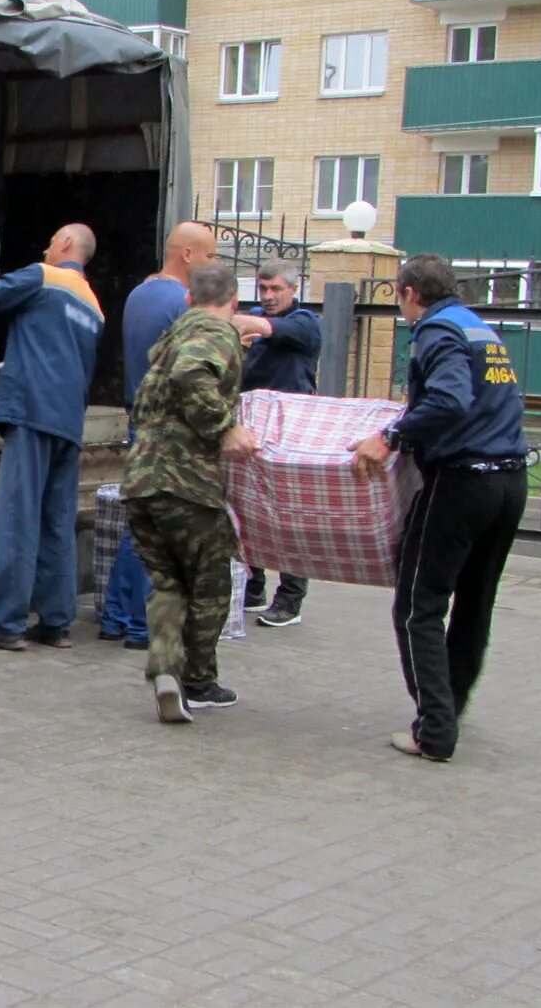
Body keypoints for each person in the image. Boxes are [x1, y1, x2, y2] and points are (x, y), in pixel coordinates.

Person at [351, 254, 528, 764]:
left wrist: (389, 438)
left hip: (462, 483)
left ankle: (434, 729)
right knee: (474, 602)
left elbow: (450, 399)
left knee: (417, 606)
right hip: (509, 480)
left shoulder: (437, 331)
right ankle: (448, 709)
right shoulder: (479, 329)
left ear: (409, 294)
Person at [0, 224, 105, 652]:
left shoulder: (44, 276)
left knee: (15, 519)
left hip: (33, 412)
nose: (45, 246)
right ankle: (55, 622)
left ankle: (7, 624)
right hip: (69, 421)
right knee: (56, 523)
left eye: (51, 240)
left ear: (67, 244)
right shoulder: (94, 304)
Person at [122, 264, 258, 723]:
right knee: (211, 583)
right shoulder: (213, 333)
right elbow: (191, 374)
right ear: (233, 301)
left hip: (141, 483)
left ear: (187, 298)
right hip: (187, 485)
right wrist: (226, 427)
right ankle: (199, 682)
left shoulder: (172, 336)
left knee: (167, 582)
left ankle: (165, 671)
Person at [100, 222, 217, 650]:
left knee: (139, 519)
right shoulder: (181, 303)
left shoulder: (140, 294)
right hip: (167, 427)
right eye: (209, 256)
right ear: (187, 254)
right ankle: (138, 624)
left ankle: (115, 616)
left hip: (138, 418)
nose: (212, 264)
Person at [235, 259, 324, 626]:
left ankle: (290, 599)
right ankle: (252, 588)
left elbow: (270, 327)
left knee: (289, 512)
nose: (269, 296)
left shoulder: (305, 323)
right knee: (247, 508)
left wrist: (243, 322)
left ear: (294, 288)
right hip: (252, 428)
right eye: (264, 288)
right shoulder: (255, 318)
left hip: (290, 432)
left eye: (276, 290)